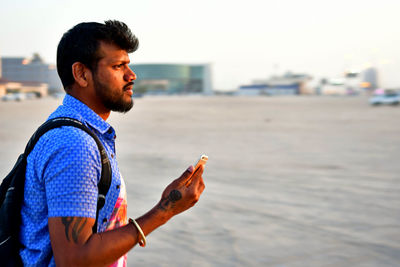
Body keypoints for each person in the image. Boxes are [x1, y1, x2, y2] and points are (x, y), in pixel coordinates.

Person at [19, 20, 205, 266]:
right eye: (118, 66)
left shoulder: (79, 133)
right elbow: (73, 259)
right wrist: (165, 210)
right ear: (81, 74)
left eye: (128, 64)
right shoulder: (74, 145)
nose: (131, 75)